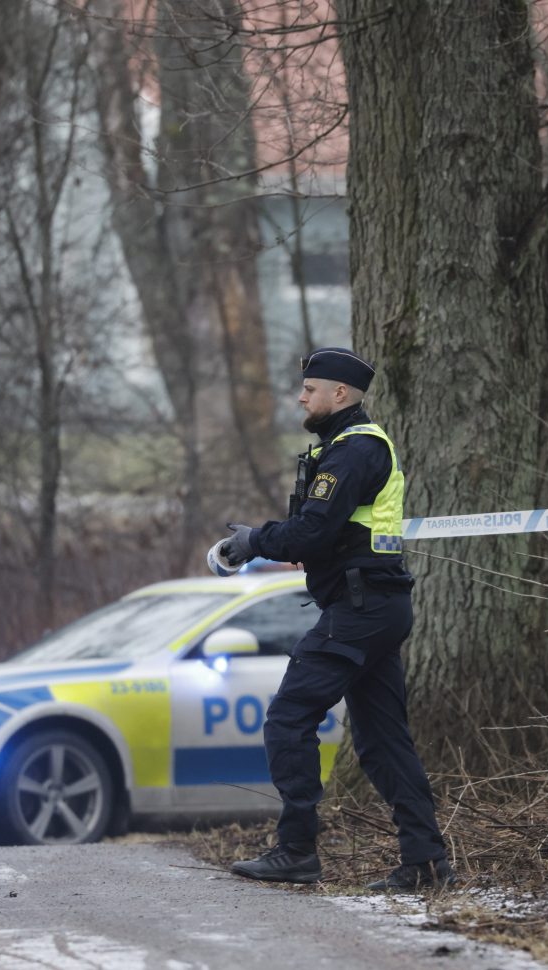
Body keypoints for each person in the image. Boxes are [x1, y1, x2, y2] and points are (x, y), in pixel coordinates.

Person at [218, 347, 455, 891]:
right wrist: (265, 538)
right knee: (382, 741)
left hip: (360, 608)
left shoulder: (355, 450)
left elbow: (313, 533)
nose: (301, 397)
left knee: (288, 717)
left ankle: (297, 850)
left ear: (340, 394)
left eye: (309, 390)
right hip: (372, 605)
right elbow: (324, 531)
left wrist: (254, 540)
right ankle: (426, 862)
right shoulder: (347, 448)